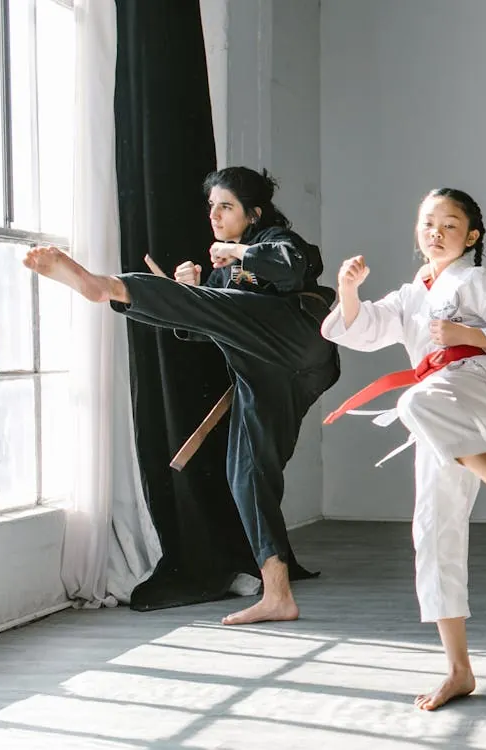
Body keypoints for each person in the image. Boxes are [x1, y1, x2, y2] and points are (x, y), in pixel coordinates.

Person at [23, 166, 340, 626]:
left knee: (210, 305)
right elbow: (199, 328)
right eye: (212, 207)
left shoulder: (276, 240)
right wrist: (190, 292)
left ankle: (108, 286)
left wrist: (234, 254)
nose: (215, 215)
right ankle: (277, 594)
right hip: (265, 374)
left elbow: (291, 269)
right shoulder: (221, 276)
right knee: (246, 476)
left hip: (300, 339)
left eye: (226, 206)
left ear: (253, 213)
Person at [321, 187, 486, 710]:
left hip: (473, 391)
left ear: (471, 237)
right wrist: (347, 289)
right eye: (428, 222)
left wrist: (465, 335)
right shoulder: (411, 295)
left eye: (450, 224)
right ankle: (459, 669)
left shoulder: (478, 281)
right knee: (432, 529)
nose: (436, 232)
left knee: (413, 404)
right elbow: (358, 328)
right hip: (439, 418)